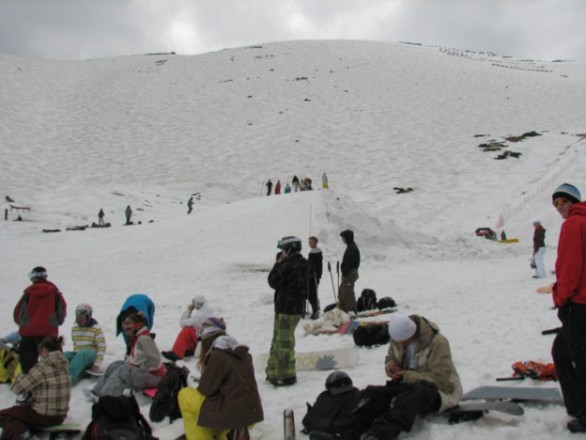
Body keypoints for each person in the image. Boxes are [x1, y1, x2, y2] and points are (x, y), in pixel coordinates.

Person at [361, 314, 462, 439]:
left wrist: (407, 376)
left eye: (403, 341)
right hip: (408, 385)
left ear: (411, 334)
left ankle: (378, 435)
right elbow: (391, 357)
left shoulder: (437, 342)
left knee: (411, 397)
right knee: (372, 393)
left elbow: (441, 380)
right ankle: (349, 430)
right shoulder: (399, 339)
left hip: (440, 392)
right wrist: (390, 367)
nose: (401, 345)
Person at [178, 317, 264, 439]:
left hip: (231, 413)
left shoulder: (218, 356)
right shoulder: (242, 353)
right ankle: (229, 434)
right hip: (250, 414)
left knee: (185, 395)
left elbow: (205, 390)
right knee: (210, 414)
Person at [549, 183, 586, 433]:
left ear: (574, 201)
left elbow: (570, 269)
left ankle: (583, 415)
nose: (560, 207)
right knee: (561, 352)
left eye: (563, 201)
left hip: (579, 305)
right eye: (556, 203)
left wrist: (560, 297)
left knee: (577, 360)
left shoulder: (573, 224)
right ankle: (575, 407)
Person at [0, 336, 71, 440]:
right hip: (60, 416)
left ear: (45, 350)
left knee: (4, 415)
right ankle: (26, 428)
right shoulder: (64, 365)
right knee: (23, 409)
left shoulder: (42, 366)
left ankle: (23, 435)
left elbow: (17, 389)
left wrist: (19, 374)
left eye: (40, 352)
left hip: (43, 417)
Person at [88, 312, 165, 400]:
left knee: (123, 371)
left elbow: (154, 360)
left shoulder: (144, 339)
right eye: (124, 324)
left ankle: (107, 400)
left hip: (155, 377)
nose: (125, 327)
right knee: (116, 364)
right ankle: (97, 392)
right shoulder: (137, 337)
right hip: (146, 374)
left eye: (129, 324)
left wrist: (139, 367)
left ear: (137, 326)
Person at [266, 236, 309, 386]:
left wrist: (277, 264)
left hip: (287, 308)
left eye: (284, 250)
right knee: (277, 341)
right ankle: (273, 371)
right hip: (288, 308)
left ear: (290, 249)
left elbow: (272, 280)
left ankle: (286, 374)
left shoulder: (290, 265)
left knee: (283, 343)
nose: (282, 253)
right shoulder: (301, 263)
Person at [13, 266, 67, 374]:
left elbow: (18, 313)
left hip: (28, 333)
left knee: (28, 364)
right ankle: (52, 385)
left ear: (33, 277)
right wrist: (53, 322)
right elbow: (61, 313)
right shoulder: (54, 292)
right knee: (52, 362)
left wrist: (25, 324)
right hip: (48, 333)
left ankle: (30, 388)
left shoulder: (28, 293)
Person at [161, 295, 214, 362]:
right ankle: (191, 349)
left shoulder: (200, 315)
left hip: (205, 341)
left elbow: (182, 323)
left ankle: (177, 353)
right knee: (195, 329)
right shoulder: (209, 311)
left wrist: (188, 310)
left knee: (187, 330)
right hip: (209, 338)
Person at [63, 304, 106, 384]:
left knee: (83, 353)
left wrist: (96, 364)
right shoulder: (75, 328)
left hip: (91, 356)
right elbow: (76, 346)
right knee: (63, 355)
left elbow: (102, 347)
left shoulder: (96, 328)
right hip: (79, 355)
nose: (80, 319)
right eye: (78, 317)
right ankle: (54, 375)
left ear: (89, 316)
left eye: (82, 317)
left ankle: (70, 380)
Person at [338, 230, 360, 313]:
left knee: (347, 292)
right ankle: (342, 309)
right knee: (342, 291)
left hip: (350, 273)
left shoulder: (351, 248)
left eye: (343, 238)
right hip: (349, 273)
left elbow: (349, 263)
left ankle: (351, 309)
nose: (342, 240)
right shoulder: (350, 247)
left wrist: (344, 272)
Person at [307, 236, 323, 320]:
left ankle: (316, 311)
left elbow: (314, 265)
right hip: (313, 276)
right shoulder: (314, 252)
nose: (310, 243)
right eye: (309, 242)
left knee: (312, 294)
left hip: (314, 276)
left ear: (315, 242)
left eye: (311, 242)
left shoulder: (315, 253)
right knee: (312, 293)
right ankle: (316, 308)